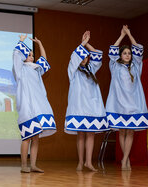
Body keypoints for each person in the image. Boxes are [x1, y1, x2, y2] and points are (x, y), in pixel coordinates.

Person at [64, 31, 108, 171]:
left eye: (86, 57)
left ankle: (89, 162)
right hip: (79, 107)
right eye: (82, 57)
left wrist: (87, 43)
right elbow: (73, 57)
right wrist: (82, 43)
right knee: (81, 135)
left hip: (92, 107)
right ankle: (80, 162)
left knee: (91, 134)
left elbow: (97, 55)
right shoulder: (73, 71)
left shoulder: (91, 69)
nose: (84, 59)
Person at [106, 25, 148, 170]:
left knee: (130, 131)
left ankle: (125, 159)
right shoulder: (115, 66)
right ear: (120, 55)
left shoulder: (136, 66)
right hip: (119, 104)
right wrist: (121, 35)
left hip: (134, 104)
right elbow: (111, 51)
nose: (128, 55)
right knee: (122, 131)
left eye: (129, 53)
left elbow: (138, 49)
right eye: (124, 53)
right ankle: (126, 159)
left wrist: (129, 34)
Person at [12, 34, 56, 173]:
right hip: (27, 106)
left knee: (36, 137)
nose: (32, 56)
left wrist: (40, 44)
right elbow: (16, 55)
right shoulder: (20, 69)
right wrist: (21, 41)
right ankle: (24, 165)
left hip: (39, 106)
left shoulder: (36, 69)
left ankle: (33, 165)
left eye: (32, 55)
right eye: (29, 55)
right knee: (27, 137)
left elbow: (44, 60)